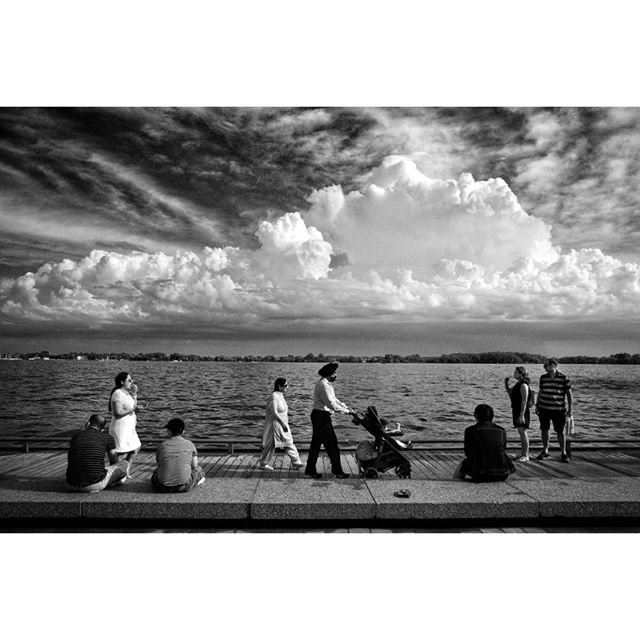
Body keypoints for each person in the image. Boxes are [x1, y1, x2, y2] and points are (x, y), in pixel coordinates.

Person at [305, 362, 352, 479]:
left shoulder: (326, 383)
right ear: (330, 374)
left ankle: (310, 470)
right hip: (321, 417)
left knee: (316, 445)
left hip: (320, 416)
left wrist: (346, 407)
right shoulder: (324, 385)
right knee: (332, 445)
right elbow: (331, 404)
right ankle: (337, 471)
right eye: (335, 373)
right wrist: (347, 412)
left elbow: (335, 400)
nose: (336, 375)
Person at [66, 414, 129, 492]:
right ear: (102, 429)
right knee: (124, 464)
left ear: (88, 423)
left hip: (70, 484)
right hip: (94, 485)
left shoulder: (75, 436)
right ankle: (115, 482)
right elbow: (114, 461)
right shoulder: (107, 437)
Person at [453, 404, 515, 482]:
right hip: (502, 473)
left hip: (480, 473)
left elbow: (468, 453)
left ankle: (457, 481)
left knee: (463, 462)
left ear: (476, 416)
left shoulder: (470, 430)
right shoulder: (501, 430)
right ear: (492, 416)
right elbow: (502, 449)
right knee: (503, 456)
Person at [258, 377, 304, 471]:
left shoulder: (280, 395)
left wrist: (284, 424)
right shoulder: (274, 396)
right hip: (277, 425)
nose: (288, 387)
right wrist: (283, 424)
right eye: (286, 385)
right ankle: (263, 463)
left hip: (283, 425)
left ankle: (296, 462)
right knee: (271, 445)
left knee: (288, 443)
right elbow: (274, 413)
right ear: (279, 386)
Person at [151, 418, 205, 493]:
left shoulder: (161, 446)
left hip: (162, 487)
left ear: (169, 431)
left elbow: (159, 465)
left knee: (156, 472)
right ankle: (194, 482)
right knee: (199, 469)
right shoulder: (190, 444)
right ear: (183, 432)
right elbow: (194, 465)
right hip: (184, 486)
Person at [535, 357, 573, 462]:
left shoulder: (564, 378)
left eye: (545, 365)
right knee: (544, 429)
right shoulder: (543, 377)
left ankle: (563, 453)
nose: (544, 367)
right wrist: (537, 405)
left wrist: (570, 410)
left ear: (553, 365)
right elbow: (541, 391)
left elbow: (569, 395)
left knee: (560, 431)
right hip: (544, 408)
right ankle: (545, 451)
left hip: (559, 409)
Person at [108, 371, 142, 476]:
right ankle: (115, 475)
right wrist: (132, 410)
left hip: (129, 429)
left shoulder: (126, 393)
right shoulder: (118, 393)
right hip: (120, 428)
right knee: (120, 453)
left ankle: (124, 472)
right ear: (122, 382)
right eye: (129, 380)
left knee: (135, 448)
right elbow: (117, 413)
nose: (132, 382)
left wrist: (135, 394)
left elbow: (133, 407)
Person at [504, 366, 532, 462]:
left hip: (522, 412)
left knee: (523, 432)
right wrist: (506, 383)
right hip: (516, 410)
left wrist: (522, 415)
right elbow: (509, 391)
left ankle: (526, 455)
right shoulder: (518, 384)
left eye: (516, 372)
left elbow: (524, 401)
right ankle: (522, 453)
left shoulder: (523, 385)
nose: (514, 374)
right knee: (520, 432)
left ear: (521, 374)